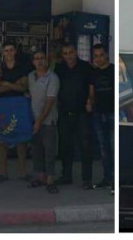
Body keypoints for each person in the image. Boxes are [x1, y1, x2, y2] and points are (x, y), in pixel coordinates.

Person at [53, 44, 95, 189]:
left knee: (85, 146)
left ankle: (87, 179)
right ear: (62, 55)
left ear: (76, 52)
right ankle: (66, 176)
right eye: (65, 53)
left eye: (71, 52)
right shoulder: (59, 69)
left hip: (82, 113)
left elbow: (91, 87)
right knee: (65, 146)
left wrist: (90, 100)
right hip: (64, 113)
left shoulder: (85, 67)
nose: (69, 56)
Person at [0, 43, 32, 182]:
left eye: (11, 50)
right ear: (3, 52)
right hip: (2, 106)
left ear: (15, 51)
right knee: (2, 140)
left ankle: (23, 173)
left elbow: (24, 88)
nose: (8, 53)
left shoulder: (22, 67)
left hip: (19, 105)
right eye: (6, 50)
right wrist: (15, 84)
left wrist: (7, 84)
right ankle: (3, 173)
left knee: (21, 140)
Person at [27, 51, 60, 194]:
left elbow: (50, 101)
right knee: (36, 150)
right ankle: (40, 177)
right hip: (33, 120)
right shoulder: (30, 76)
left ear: (46, 61)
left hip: (48, 120)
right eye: (36, 59)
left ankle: (50, 179)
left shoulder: (52, 78)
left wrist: (39, 121)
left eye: (42, 58)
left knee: (49, 151)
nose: (39, 61)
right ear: (33, 62)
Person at [90, 44, 114, 192]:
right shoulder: (94, 73)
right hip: (98, 113)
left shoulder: (114, 70)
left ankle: (115, 181)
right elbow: (91, 92)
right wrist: (89, 103)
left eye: (101, 55)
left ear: (106, 55)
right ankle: (107, 179)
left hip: (112, 113)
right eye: (96, 56)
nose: (99, 58)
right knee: (103, 149)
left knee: (113, 147)